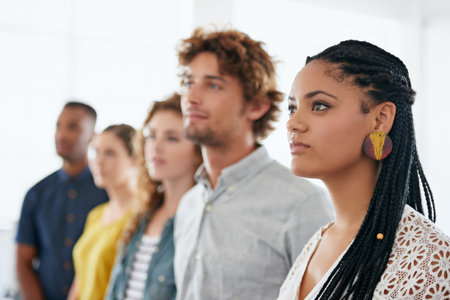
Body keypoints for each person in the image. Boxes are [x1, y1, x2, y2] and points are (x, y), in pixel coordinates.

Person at [278, 40, 450, 300]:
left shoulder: (428, 258)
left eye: (319, 106)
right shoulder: (316, 242)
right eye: (292, 108)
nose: (293, 123)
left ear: (380, 119)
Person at [174, 28, 334, 300]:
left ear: (257, 105)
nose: (191, 97)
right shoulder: (189, 204)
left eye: (213, 85)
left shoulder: (302, 203)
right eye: (189, 83)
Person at [105, 93, 202, 300]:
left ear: (198, 152)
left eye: (172, 138)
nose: (155, 146)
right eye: (151, 135)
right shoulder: (143, 215)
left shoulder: (200, 222)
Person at [15, 101, 108, 300]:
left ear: (93, 136)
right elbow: (23, 261)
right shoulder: (36, 194)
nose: (62, 134)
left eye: (73, 127)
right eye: (59, 126)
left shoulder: (107, 193)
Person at [68, 124, 137, 300]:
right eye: (96, 152)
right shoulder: (96, 215)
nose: (98, 161)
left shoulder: (141, 217)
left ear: (135, 159)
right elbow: (80, 281)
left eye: (110, 153)